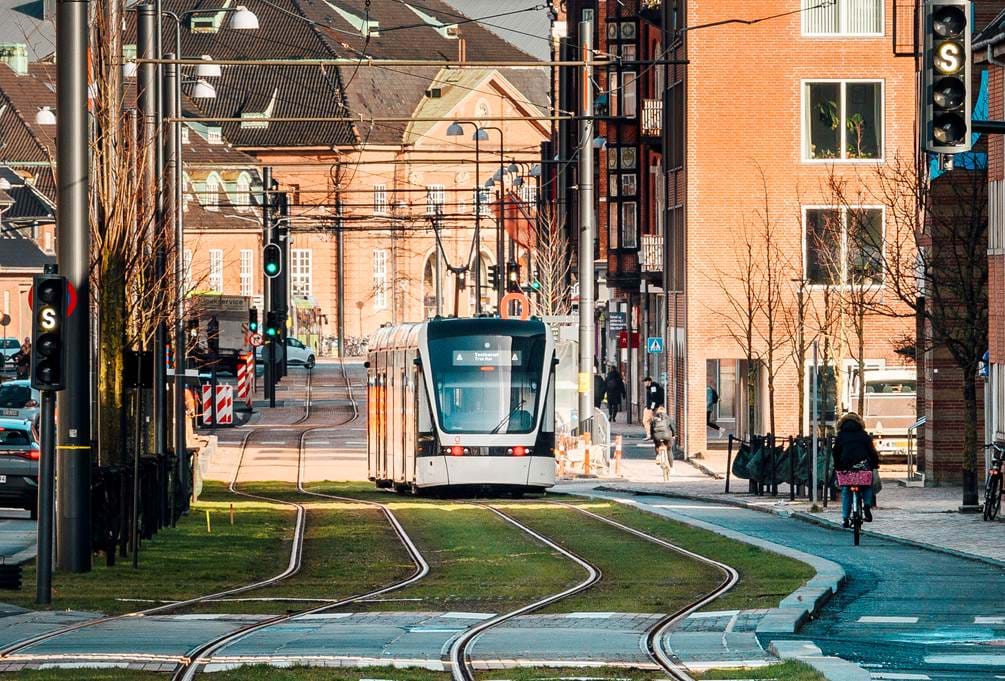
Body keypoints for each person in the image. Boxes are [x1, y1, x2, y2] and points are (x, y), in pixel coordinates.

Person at [832, 411, 879, 528]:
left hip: (846, 468)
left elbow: (835, 453)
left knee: (846, 491)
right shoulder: (864, 436)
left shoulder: (841, 436)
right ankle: (867, 505)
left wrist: (837, 466)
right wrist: (875, 464)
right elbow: (872, 452)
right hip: (863, 466)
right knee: (867, 485)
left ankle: (845, 518)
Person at [651, 406, 675, 481]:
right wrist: (674, 435)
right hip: (667, 436)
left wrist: (653, 437)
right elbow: (673, 428)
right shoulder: (668, 418)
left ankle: (658, 456)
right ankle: (671, 466)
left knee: (657, 445)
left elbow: (651, 430)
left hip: (657, 436)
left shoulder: (654, 419)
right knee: (669, 449)